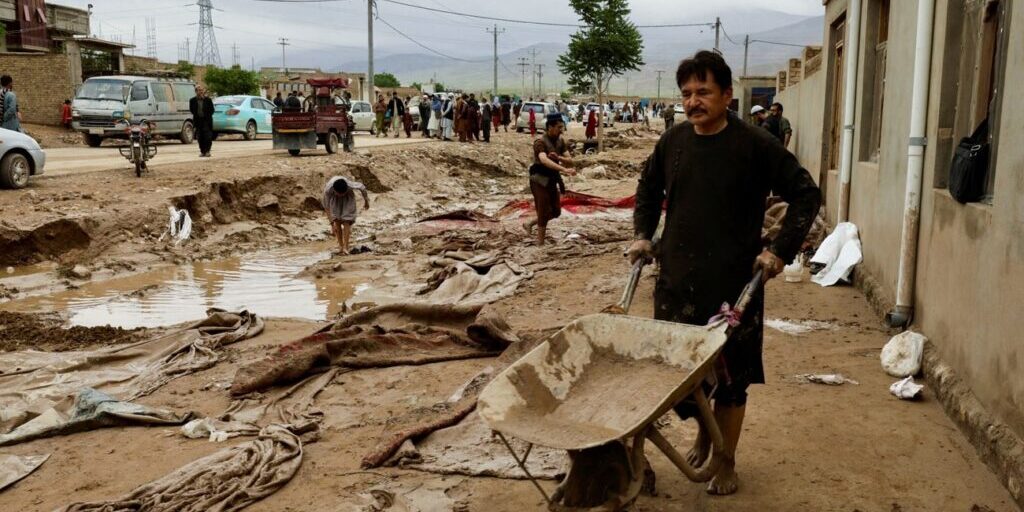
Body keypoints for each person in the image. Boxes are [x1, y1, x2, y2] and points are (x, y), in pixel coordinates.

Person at [627, 50, 820, 496]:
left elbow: (806, 194)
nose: (693, 101)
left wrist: (778, 251)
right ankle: (703, 431)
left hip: (735, 287)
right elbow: (647, 188)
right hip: (677, 283)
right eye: (687, 94)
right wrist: (642, 234)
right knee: (681, 377)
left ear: (728, 95)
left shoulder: (754, 144)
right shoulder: (672, 142)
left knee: (731, 381)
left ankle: (727, 460)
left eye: (704, 92)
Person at [523, 112, 576, 245]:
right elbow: (544, 160)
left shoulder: (560, 142)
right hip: (539, 180)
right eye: (559, 127)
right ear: (550, 127)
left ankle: (530, 223)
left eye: (561, 127)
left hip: (552, 179)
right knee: (543, 209)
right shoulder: (540, 142)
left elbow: (570, 161)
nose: (561, 131)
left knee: (556, 211)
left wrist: (559, 158)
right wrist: (563, 169)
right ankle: (540, 243)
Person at [322, 176, 371, 255]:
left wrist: (366, 201)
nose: (341, 195)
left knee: (346, 221)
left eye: (342, 194)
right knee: (337, 221)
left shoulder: (350, 185)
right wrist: (332, 224)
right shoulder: (328, 190)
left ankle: (346, 247)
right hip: (335, 199)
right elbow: (326, 207)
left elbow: (362, 187)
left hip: (348, 198)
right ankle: (341, 247)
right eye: (339, 194)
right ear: (334, 190)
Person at [189, 85, 214, 157]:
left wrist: (206, 116)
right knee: (200, 137)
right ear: (196, 91)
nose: (201, 92)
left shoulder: (208, 100)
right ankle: (202, 151)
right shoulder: (192, 100)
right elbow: (192, 110)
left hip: (206, 121)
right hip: (198, 121)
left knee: (208, 137)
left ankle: (207, 151)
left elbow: (212, 110)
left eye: (202, 90)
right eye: (199, 90)